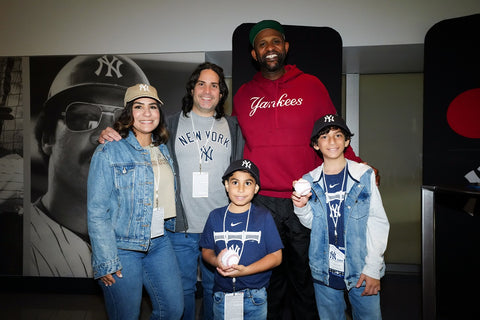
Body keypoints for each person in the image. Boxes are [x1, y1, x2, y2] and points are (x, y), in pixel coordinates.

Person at [232, 19, 367, 319]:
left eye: (275, 42)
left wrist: (357, 167)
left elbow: (333, 131)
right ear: (254, 54)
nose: (270, 49)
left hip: (305, 199)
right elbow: (230, 138)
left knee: (307, 277)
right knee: (270, 280)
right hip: (261, 201)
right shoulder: (242, 95)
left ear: (286, 47)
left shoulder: (311, 85)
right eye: (262, 44)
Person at [99, 62, 244, 320]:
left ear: (221, 93)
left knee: (216, 289)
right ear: (191, 89)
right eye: (201, 84)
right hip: (181, 230)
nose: (207, 90)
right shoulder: (169, 125)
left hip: (219, 227)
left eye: (214, 85)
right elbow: (137, 137)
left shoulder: (234, 128)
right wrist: (112, 133)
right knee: (182, 292)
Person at [30, 54, 150, 277]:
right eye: (84, 118)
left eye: (122, 123)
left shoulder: (152, 240)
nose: (103, 135)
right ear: (48, 137)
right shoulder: (15, 241)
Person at [87, 83, 184, 319]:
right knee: (126, 315)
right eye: (139, 107)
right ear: (129, 113)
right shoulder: (109, 151)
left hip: (159, 242)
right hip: (122, 247)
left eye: (153, 106)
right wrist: (106, 260)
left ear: (160, 113)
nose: (147, 113)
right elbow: (97, 210)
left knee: (173, 309)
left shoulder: (162, 148)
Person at [291, 114, 389, 320]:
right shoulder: (310, 180)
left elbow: (377, 222)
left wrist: (373, 267)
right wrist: (301, 207)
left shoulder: (364, 175)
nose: (332, 141)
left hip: (361, 267)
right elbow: (313, 223)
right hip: (324, 269)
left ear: (347, 141)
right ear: (316, 145)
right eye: (324, 137)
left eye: (338, 135)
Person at [200, 159, 283, 320]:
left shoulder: (263, 217)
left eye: (248, 183)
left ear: (256, 188)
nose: (240, 189)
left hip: (255, 295)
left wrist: (246, 270)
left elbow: (276, 256)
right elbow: (206, 250)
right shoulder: (215, 216)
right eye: (235, 182)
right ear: (226, 185)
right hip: (222, 295)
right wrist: (216, 261)